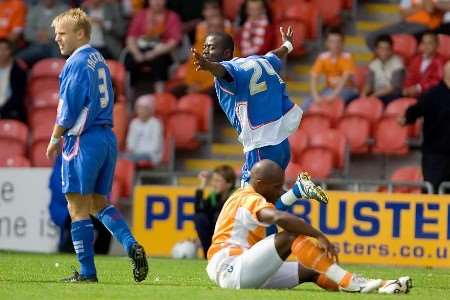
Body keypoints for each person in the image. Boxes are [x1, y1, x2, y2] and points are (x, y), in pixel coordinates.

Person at [46, 8, 148, 283]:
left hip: (83, 139)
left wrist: (55, 139)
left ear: (80, 34)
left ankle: (88, 272)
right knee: (98, 202)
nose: (58, 39)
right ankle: (130, 244)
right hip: (106, 137)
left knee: (76, 206)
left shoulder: (76, 63)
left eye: (62, 33)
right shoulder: (99, 59)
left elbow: (68, 109)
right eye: (56, 34)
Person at [206, 159, 412, 293]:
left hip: (239, 266)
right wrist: (317, 234)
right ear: (259, 183)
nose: (280, 192)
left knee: (310, 270)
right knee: (290, 236)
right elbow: (279, 217)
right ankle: (350, 282)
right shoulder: (249, 197)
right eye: (277, 187)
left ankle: (384, 286)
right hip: (230, 268)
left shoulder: (246, 196)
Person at [191, 26, 328, 220]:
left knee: (249, 209)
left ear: (227, 53)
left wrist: (207, 65)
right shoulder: (257, 61)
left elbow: (222, 71)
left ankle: (296, 193)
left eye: (211, 48)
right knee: (266, 206)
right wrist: (287, 45)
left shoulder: (231, 70)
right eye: (204, 47)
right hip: (280, 143)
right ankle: (297, 191)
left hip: (260, 145)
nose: (205, 51)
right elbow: (274, 55)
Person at [399, 61, 450, 193]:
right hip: (435, 155)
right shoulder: (433, 94)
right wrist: (406, 118)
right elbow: (415, 109)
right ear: (446, 75)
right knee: (432, 190)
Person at [48, 154, 112, 254]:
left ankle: (100, 258)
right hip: (65, 209)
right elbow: (58, 186)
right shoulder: (64, 160)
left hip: (89, 207)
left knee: (107, 222)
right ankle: (66, 251)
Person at [125, 0, 182, 93]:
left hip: (161, 51)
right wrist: (136, 54)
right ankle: (129, 95)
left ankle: (160, 97)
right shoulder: (141, 15)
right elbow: (131, 37)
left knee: (160, 62)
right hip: (140, 49)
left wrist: (154, 53)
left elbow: (174, 42)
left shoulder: (172, 17)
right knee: (130, 59)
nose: (157, 2)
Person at [302, 27, 358, 111]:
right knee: (307, 102)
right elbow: (314, 76)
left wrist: (333, 96)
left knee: (332, 103)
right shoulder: (323, 57)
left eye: (338, 42)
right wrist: (315, 95)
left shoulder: (347, 57)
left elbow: (344, 79)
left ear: (342, 43)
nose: (335, 45)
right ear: (327, 43)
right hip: (329, 89)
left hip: (347, 89)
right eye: (332, 42)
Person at [194, 165, 237, 258]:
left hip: (232, 238)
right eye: (213, 180)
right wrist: (203, 184)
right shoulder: (214, 197)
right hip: (216, 235)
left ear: (229, 183)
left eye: (218, 181)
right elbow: (198, 209)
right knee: (200, 218)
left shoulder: (235, 197)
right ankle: (208, 254)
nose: (214, 184)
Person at [365, 0, 442, 50]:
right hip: (405, 23)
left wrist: (415, 8)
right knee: (372, 36)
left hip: (426, 26)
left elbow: (430, 9)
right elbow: (403, 13)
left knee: (400, 40)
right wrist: (421, 7)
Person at [17, 0, 67, 67]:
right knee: (17, 60)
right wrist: (38, 35)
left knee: (57, 63)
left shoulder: (64, 10)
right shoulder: (34, 10)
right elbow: (27, 32)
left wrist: (46, 34)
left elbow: (66, 31)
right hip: (36, 44)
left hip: (56, 45)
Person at [362, 34, 405, 105]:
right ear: (376, 50)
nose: (384, 52)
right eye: (381, 48)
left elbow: (393, 87)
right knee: (355, 99)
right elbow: (369, 84)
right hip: (376, 93)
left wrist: (373, 96)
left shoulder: (398, 63)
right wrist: (363, 95)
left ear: (392, 49)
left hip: (391, 95)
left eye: (387, 49)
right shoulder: (373, 64)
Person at [403, 31, 445, 98]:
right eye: (424, 43)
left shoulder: (441, 61)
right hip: (413, 93)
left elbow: (436, 81)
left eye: (430, 43)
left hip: (430, 95)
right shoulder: (416, 59)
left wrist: (418, 88)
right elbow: (410, 76)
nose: (426, 46)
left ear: (437, 45)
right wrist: (408, 88)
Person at [125, 94, 163, 165]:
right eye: (139, 108)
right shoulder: (134, 123)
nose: (140, 111)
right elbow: (130, 143)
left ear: (150, 110)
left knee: (128, 159)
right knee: (118, 157)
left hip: (151, 155)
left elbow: (155, 146)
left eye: (143, 108)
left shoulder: (156, 123)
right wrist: (133, 150)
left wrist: (137, 151)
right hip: (136, 154)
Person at [0, 38, 27, 122]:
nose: (2, 53)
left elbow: (18, 97)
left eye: (5, 49)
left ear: (10, 51)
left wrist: (2, 110)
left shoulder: (18, 71)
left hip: (11, 110)